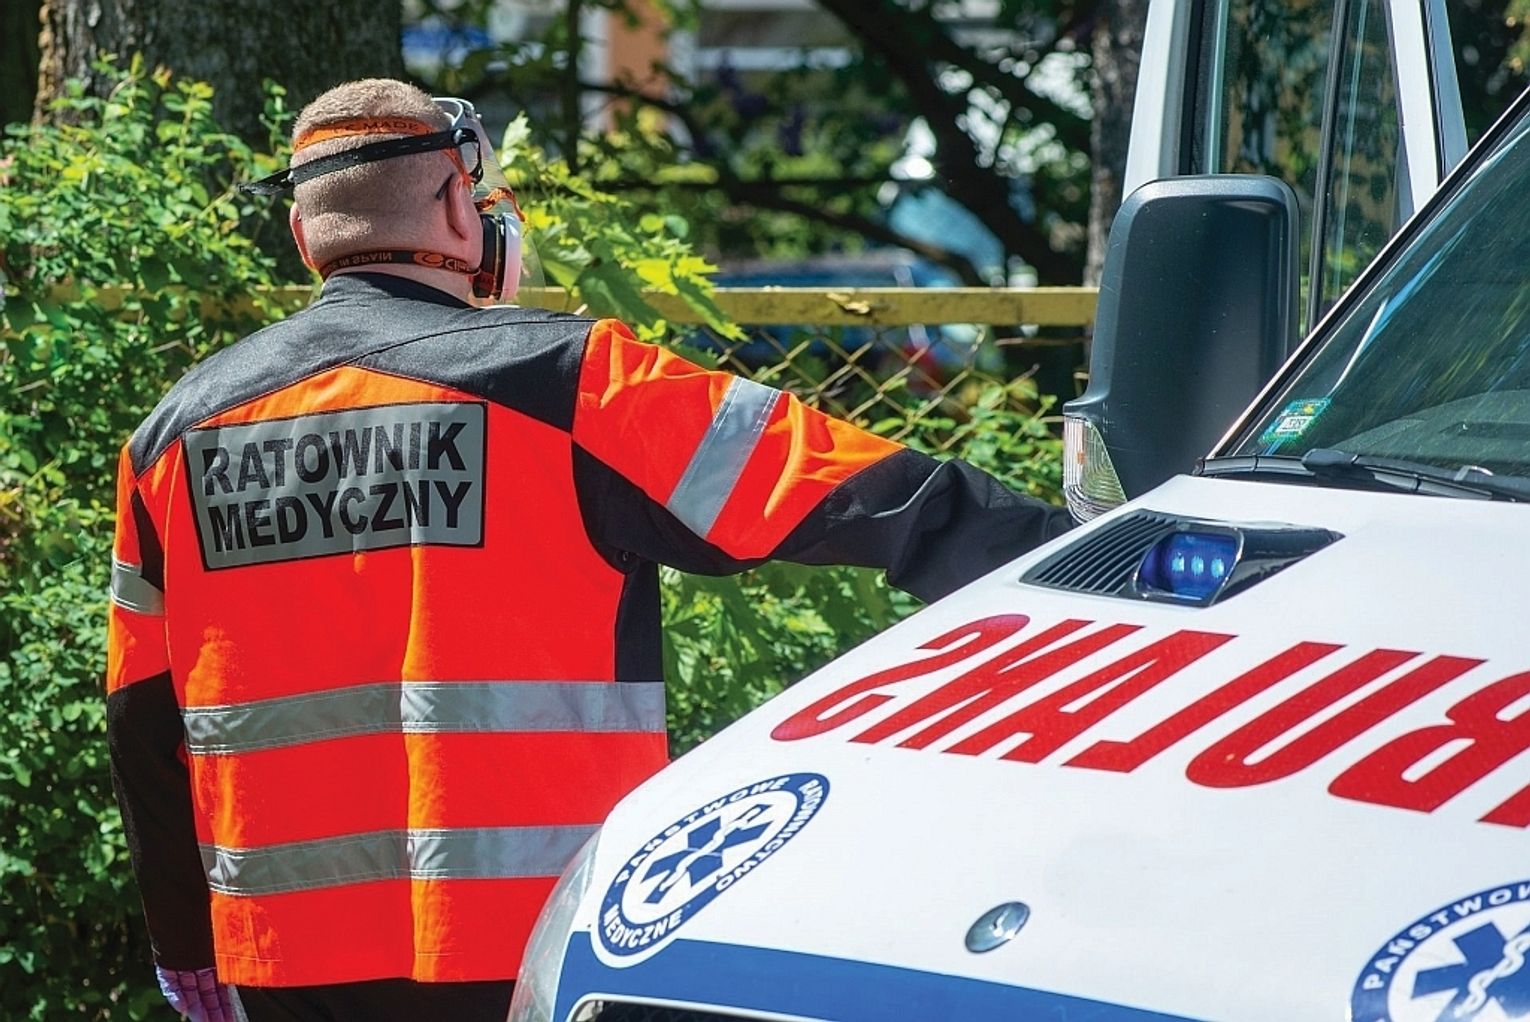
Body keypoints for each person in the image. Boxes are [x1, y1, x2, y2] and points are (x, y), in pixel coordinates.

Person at [105, 78, 1073, 1022]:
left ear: (303, 234)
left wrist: (185, 944)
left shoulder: (169, 441)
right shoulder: (571, 379)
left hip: (285, 957)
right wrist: (1102, 564)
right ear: (459, 207)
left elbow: (142, 721)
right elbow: (882, 498)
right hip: (542, 942)